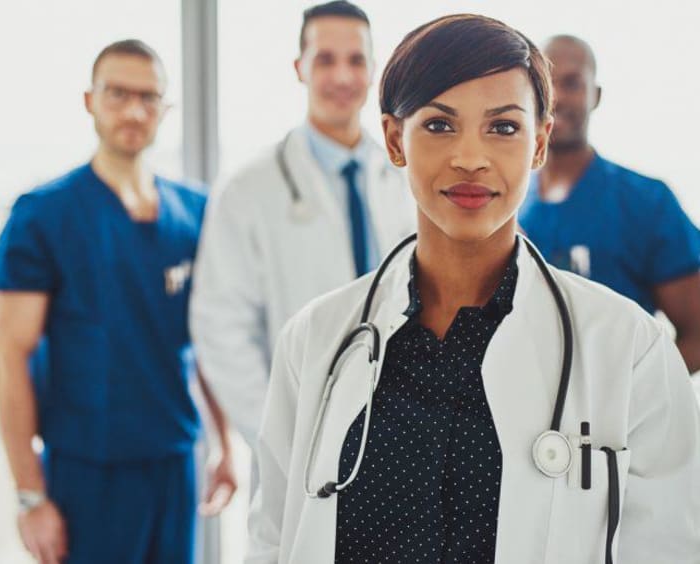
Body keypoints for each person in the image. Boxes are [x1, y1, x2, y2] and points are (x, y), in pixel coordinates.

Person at [246, 14, 700, 564]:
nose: (470, 157)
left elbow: (667, 548)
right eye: (439, 125)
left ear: (539, 143)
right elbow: (272, 541)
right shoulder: (313, 343)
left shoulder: (629, 350)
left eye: (503, 127)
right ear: (394, 140)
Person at [0, 40, 236, 564]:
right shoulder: (43, 215)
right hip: (86, 472)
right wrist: (31, 496)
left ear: (165, 109)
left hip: (173, 461)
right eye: (117, 93)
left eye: (149, 97)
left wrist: (225, 445)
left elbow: (210, 340)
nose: (133, 109)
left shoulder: (195, 212)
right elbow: (8, 357)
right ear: (89, 100)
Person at [190, 0, 413, 449]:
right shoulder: (249, 189)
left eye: (356, 60)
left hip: (405, 427)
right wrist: (281, 435)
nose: (343, 76)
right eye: (325, 59)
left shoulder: (408, 178)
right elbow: (220, 327)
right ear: (300, 67)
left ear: (374, 69)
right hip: (299, 436)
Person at [518, 34, 700, 373]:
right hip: (524, 419)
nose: (556, 96)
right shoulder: (503, 205)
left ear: (595, 95)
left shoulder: (647, 201)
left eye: (572, 83)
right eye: (546, 83)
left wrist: (636, 396)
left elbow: (696, 334)